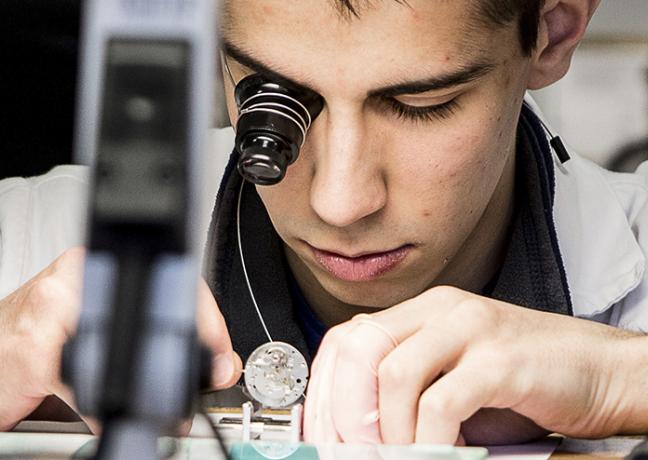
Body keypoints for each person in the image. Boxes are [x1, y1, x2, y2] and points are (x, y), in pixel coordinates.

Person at [1, 0, 648, 447]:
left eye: (421, 105)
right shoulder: (32, 236)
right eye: (274, 103)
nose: (340, 203)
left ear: (554, 29)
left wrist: (614, 382)